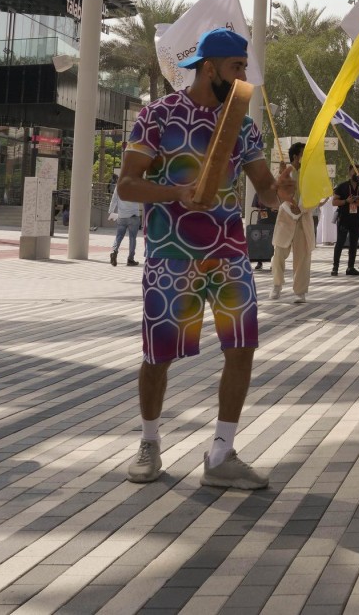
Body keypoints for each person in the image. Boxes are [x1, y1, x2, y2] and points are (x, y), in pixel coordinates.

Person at [116, 27, 296, 488]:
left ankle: (221, 453)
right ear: (210, 67)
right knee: (159, 355)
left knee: (242, 347)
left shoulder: (244, 125)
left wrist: (283, 192)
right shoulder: (159, 116)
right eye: (237, 68)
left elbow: (265, 195)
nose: (243, 77)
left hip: (229, 253)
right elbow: (127, 186)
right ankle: (150, 441)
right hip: (170, 255)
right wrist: (175, 192)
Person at [271, 141, 317, 302]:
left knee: (302, 258)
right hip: (286, 218)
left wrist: (303, 208)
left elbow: (315, 197)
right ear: (296, 156)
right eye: (304, 153)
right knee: (278, 254)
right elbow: (275, 194)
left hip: (303, 219)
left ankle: (300, 292)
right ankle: (277, 284)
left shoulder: (310, 174)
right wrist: (280, 178)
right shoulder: (286, 172)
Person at [332, 168, 359, 276]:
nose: (356, 174)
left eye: (358, 172)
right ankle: (335, 267)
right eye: (354, 171)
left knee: (353, 244)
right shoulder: (342, 186)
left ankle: (350, 267)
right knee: (340, 243)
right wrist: (346, 201)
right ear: (349, 172)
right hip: (344, 218)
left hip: (356, 219)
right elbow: (334, 202)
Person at [109, 174, 142, 267]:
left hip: (122, 216)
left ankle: (114, 251)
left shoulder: (118, 186)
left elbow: (114, 200)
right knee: (132, 238)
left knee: (119, 236)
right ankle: (130, 259)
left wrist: (110, 211)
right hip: (133, 216)